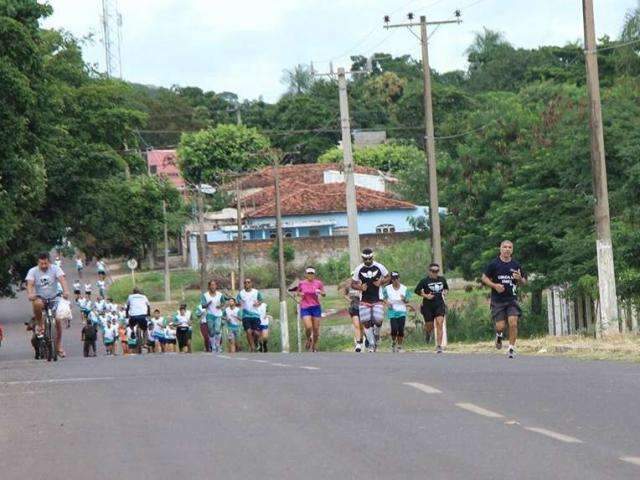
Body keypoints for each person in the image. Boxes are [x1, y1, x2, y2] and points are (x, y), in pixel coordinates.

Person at [481, 240, 527, 359]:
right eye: (505, 247)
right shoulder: (494, 264)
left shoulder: (516, 265)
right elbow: (484, 278)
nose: (507, 249)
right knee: (500, 326)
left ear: (512, 250)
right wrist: (495, 286)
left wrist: (520, 278)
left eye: (509, 247)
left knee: (513, 323)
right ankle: (499, 335)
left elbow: (524, 282)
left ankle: (511, 348)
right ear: (500, 249)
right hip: (498, 300)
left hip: (511, 299)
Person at [25, 252, 70, 357]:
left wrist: (66, 291)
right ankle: (40, 324)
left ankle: (58, 346)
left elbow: (62, 280)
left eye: (46, 263)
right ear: (38, 262)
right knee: (36, 304)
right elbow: (30, 284)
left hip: (55, 297)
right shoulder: (33, 271)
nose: (44, 266)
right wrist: (30, 294)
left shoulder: (55, 269)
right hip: (40, 297)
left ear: (49, 262)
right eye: (41, 264)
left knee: (58, 321)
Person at [351, 248, 390, 352]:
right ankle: (372, 345)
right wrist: (360, 288)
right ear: (362, 258)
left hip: (377, 298)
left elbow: (388, 277)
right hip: (364, 300)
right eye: (365, 259)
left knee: (379, 319)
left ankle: (376, 334)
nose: (367, 261)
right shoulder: (358, 269)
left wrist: (381, 282)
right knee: (366, 323)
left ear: (372, 257)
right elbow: (352, 283)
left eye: (369, 259)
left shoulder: (379, 266)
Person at [415, 263, 449, 354]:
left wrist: (445, 292)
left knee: (440, 323)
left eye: (437, 271)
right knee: (429, 326)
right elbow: (416, 290)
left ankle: (439, 346)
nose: (435, 273)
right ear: (429, 271)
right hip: (428, 306)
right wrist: (426, 296)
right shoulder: (424, 281)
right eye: (433, 271)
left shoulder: (442, 279)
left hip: (439, 304)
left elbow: (446, 288)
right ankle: (428, 333)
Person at [297, 267, 326, 352]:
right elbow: (297, 292)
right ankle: (308, 339)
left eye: (312, 273)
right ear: (306, 274)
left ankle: (315, 344)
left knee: (316, 329)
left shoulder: (318, 283)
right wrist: (300, 294)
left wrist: (320, 292)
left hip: (316, 307)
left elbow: (324, 293)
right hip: (305, 307)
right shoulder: (301, 283)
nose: (310, 275)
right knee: (309, 327)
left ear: (314, 274)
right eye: (309, 273)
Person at [383, 272, 411, 353]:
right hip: (392, 311)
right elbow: (383, 298)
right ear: (391, 279)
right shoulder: (387, 288)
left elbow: (407, 300)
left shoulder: (404, 288)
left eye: (397, 278)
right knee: (394, 329)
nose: (395, 280)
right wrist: (387, 303)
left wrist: (404, 299)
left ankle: (399, 346)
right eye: (393, 279)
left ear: (399, 278)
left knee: (401, 329)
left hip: (402, 310)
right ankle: (393, 342)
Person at [237, 278, 263, 352]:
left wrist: (258, 303)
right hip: (246, 315)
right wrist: (238, 303)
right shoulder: (241, 293)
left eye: (248, 282)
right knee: (248, 331)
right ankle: (252, 347)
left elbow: (261, 300)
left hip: (255, 315)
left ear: (251, 283)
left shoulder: (256, 292)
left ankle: (256, 343)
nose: (247, 284)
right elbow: (238, 301)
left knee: (256, 333)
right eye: (245, 282)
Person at [201, 280, 227, 353]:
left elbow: (224, 303)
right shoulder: (205, 295)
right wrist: (207, 304)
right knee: (211, 332)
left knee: (217, 330)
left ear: (216, 286)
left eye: (214, 285)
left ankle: (218, 345)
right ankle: (213, 346)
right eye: (211, 285)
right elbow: (203, 305)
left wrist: (220, 306)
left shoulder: (220, 294)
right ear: (209, 286)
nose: (213, 286)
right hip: (209, 315)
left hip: (218, 315)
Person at [342, 276, 364, 352]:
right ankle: (358, 344)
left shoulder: (362, 284)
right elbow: (344, 294)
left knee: (361, 326)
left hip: (362, 307)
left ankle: (361, 339)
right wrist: (349, 300)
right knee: (356, 325)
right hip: (353, 307)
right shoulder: (349, 285)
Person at [126, 287, 151, 354]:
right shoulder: (144, 296)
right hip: (142, 316)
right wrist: (148, 314)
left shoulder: (130, 297)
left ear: (133, 292)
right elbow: (148, 306)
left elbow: (127, 307)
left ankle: (132, 331)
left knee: (130, 324)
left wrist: (126, 315)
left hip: (133, 316)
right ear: (139, 292)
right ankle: (145, 343)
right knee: (145, 329)